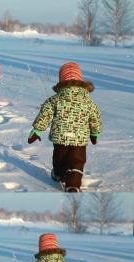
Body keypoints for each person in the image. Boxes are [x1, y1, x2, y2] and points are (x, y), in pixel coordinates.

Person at [27, 62, 103, 192]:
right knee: (77, 161)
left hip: (60, 138)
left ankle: (58, 174)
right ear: (80, 81)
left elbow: (45, 115)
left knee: (59, 159)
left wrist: (37, 130)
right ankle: (73, 183)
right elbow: (95, 118)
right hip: (79, 140)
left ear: (61, 81)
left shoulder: (54, 100)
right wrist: (95, 133)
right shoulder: (89, 102)